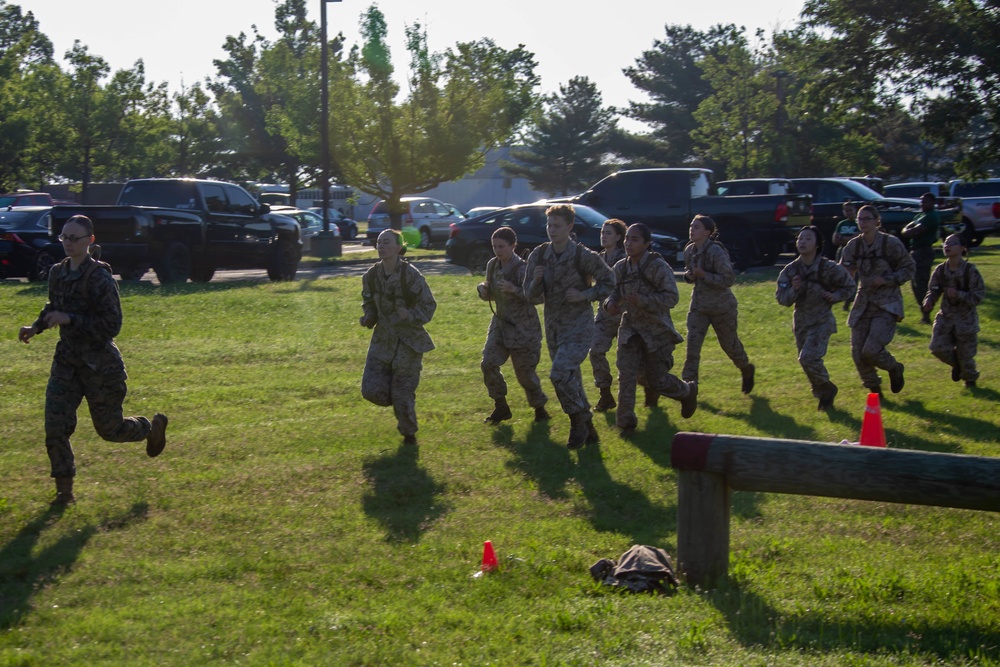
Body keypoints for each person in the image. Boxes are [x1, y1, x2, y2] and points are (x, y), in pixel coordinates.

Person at [17, 215, 168, 505]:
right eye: (64, 237)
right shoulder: (57, 272)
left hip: (100, 366)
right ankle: (64, 493)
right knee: (55, 425)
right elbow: (54, 306)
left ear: (90, 241)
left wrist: (70, 319)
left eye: (75, 238)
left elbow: (112, 325)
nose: (69, 243)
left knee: (110, 430)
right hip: (67, 363)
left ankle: (150, 428)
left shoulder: (100, 277)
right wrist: (36, 327)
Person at [524, 203, 615, 450]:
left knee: (559, 374)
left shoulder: (582, 256)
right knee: (571, 379)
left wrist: (586, 294)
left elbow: (610, 281)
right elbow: (529, 296)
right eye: (549, 225)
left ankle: (577, 421)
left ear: (570, 227)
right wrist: (536, 280)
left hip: (579, 326)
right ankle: (590, 428)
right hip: (553, 327)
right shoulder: (539, 255)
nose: (552, 230)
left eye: (557, 226)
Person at [604, 224, 697, 434]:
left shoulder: (658, 266)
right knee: (626, 375)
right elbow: (612, 291)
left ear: (647, 244)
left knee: (657, 380)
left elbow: (672, 297)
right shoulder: (621, 267)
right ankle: (626, 423)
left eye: (635, 239)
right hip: (630, 330)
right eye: (627, 238)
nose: (628, 243)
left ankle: (687, 391)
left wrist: (644, 300)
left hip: (656, 331)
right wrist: (610, 304)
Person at [360, 229, 437, 445]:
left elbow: (429, 306)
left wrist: (410, 315)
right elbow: (369, 303)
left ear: (398, 248)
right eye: (378, 243)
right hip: (382, 341)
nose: (381, 246)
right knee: (371, 390)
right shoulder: (371, 276)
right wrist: (368, 317)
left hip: (409, 342)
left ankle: (409, 436)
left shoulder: (410, 275)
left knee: (402, 393)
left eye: (386, 243)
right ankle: (403, 399)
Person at [775, 226, 857, 410]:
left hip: (821, 321)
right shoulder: (791, 270)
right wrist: (794, 290)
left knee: (808, 358)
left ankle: (827, 388)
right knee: (806, 362)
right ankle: (824, 394)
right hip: (801, 323)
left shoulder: (829, 268)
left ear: (817, 244)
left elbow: (850, 287)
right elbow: (782, 299)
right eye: (800, 239)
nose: (802, 242)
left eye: (808, 239)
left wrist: (835, 297)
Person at [839, 204, 915, 396]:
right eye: (860, 219)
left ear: (877, 221)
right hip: (863, 303)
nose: (863, 222)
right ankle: (874, 390)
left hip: (887, 303)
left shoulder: (891, 243)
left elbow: (909, 268)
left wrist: (887, 279)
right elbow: (844, 271)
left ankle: (894, 368)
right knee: (857, 352)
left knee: (872, 350)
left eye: (867, 219)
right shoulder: (853, 246)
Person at [477, 227, 549, 424]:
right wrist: (485, 291)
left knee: (525, 374)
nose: (498, 251)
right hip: (500, 325)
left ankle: (540, 409)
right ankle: (501, 406)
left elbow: (539, 297)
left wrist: (515, 289)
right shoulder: (493, 265)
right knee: (488, 363)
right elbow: (493, 293)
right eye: (494, 246)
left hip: (523, 328)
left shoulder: (523, 269)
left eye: (502, 246)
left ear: (513, 246)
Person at [681, 214, 755, 394]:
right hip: (699, 306)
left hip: (722, 308)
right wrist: (689, 276)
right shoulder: (689, 250)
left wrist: (705, 275)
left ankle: (746, 368)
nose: (692, 229)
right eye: (691, 226)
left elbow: (729, 278)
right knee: (692, 346)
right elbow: (689, 273)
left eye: (696, 227)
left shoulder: (716, 251)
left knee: (729, 345)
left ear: (707, 232)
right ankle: (689, 388)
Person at [921, 234, 984, 388]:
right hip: (946, 318)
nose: (947, 246)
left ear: (963, 248)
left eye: (952, 243)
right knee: (936, 348)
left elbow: (978, 297)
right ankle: (957, 364)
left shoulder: (970, 271)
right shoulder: (940, 270)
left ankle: (970, 382)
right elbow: (933, 290)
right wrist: (929, 300)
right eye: (945, 243)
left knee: (967, 359)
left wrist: (959, 294)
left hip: (965, 321)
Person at [591, 219, 628, 412]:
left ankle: (649, 390)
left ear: (619, 237)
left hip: (625, 316)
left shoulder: (626, 258)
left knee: (627, 361)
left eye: (608, 233)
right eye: (602, 232)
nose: (603, 236)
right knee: (595, 351)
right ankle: (605, 395)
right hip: (604, 316)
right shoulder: (598, 258)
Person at [902, 192, 941, 324]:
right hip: (914, 252)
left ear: (932, 203)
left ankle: (927, 314)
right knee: (914, 284)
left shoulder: (931, 217)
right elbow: (906, 230)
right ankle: (923, 311)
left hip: (924, 251)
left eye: (926, 202)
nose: (922, 204)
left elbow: (913, 232)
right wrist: (908, 231)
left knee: (922, 283)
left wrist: (908, 231)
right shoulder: (920, 216)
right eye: (922, 201)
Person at [831, 201, 859, 311]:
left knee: (853, 277)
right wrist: (847, 239)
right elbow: (834, 240)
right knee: (840, 275)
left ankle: (849, 302)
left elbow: (856, 238)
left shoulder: (858, 223)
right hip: (842, 251)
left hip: (854, 252)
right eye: (846, 210)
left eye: (850, 210)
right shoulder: (841, 224)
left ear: (855, 210)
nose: (848, 213)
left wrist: (843, 238)